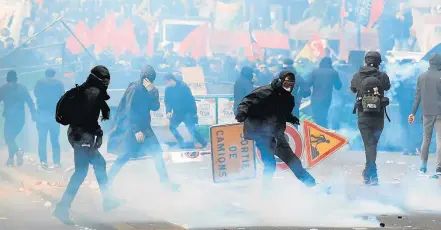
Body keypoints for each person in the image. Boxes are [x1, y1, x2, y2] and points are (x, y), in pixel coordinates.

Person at [53, 66, 123, 225]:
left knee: (97, 165)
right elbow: (88, 118)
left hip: (77, 134)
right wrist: (98, 133)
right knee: (80, 172)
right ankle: (62, 208)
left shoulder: (86, 90)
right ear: (99, 79)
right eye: (105, 79)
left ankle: (108, 200)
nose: (107, 83)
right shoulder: (93, 93)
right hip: (82, 136)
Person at [235, 70, 316, 188]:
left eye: (291, 85)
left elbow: (285, 112)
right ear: (280, 81)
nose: (288, 88)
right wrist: (241, 113)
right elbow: (246, 102)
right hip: (261, 133)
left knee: (293, 161)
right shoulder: (265, 92)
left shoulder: (288, 98)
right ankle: (266, 192)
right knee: (270, 164)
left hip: (277, 133)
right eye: (286, 84)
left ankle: (312, 185)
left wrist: (291, 118)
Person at [107, 66, 179, 191]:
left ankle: (165, 183)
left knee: (157, 153)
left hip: (145, 127)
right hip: (131, 127)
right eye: (146, 78)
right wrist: (136, 130)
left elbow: (155, 107)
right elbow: (129, 110)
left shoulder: (152, 89)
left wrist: (151, 92)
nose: (148, 81)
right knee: (125, 155)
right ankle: (107, 182)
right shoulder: (134, 88)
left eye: (151, 79)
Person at [350, 51, 391, 185]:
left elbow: (352, 89)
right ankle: (371, 173)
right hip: (378, 117)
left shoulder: (357, 76)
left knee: (369, 145)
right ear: (379, 62)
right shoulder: (382, 76)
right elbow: (387, 87)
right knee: (373, 145)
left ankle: (370, 174)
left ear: (365, 61)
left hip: (363, 116)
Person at [409, 54, 441, 175]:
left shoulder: (422, 77)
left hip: (427, 112)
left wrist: (413, 112)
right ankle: (439, 168)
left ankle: (423, 165)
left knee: (426, 139)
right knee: (440, 140)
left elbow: (417, 97)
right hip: (440, 113)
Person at [0, 70, 36, 167]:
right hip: (20, 118)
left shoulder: (3, 88)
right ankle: (11, 159)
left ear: (7, 78)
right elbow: (30, 102)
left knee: (9, 138)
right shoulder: (22, 88)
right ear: (16, 78)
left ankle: (17, 152)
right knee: (11, 138)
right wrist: (33, 114)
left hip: (9, 118)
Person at [164, 73, 207, 149]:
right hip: (177, 113)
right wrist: (168, 111)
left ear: (171, 80)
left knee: (192, 130)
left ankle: (204, 143)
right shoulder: (167, 89)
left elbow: (191, 100)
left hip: (188, 113)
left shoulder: (183, 86)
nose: (166, 84)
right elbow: (167, 101)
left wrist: (193, 114)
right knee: (172, 127)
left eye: (167, 82)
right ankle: (181, 142)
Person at [34, 69, 65, 169]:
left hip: (42, 114)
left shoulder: (39, 83)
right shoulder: (59, 84)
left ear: (45, 74)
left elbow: (36, 94)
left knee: (42, 139)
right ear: (54, 74)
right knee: (55, 139)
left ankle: (43, 161)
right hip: (54, 115)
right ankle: (56, 162)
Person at [307, 57, 342, 128]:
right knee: (323, 116)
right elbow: (338, 86)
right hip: (326, 99)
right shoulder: (333, 72)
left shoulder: (315, 71)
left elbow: (307, 84)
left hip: (315, 98)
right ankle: (323, 132)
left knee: (316, 117)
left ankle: (316, 132)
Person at [282, 58, 310, 128]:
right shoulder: (298, 77)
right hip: (294, 103)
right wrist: (300, 97)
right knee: (293, 123)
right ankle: (293, 138)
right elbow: (306, 91)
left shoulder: (278, 76)